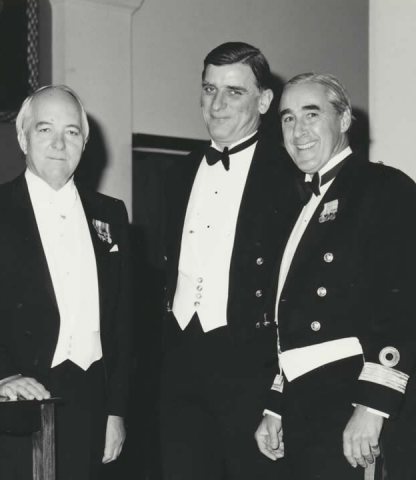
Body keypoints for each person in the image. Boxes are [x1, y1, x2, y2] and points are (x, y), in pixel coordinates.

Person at [0, 85, 132, 480]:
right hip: (14, 399)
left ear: (85, 142)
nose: (59, 143)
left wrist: (116, 411)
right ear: (22, 138)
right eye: (45, 129)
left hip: (90, 403)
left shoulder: (111, 214)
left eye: (71, 131)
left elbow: (123, 321)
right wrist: (2, 376)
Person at [254, 73, 416, 479]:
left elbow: (404, 302)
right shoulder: (298, 204)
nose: (298, 131)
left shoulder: (383, 187)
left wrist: (373, 405)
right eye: (287, 118)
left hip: (351, 393)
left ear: (345, 119)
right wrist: (276, 405)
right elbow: (292, 320)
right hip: (304, 398)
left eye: (311, 114)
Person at [159, 41, 300, 480]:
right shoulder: (178, 172)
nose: (217, 104)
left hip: (252, 366)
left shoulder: (290, 173)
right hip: (178, 359)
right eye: (208, 89)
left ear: (263, 100)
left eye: (233, 92)